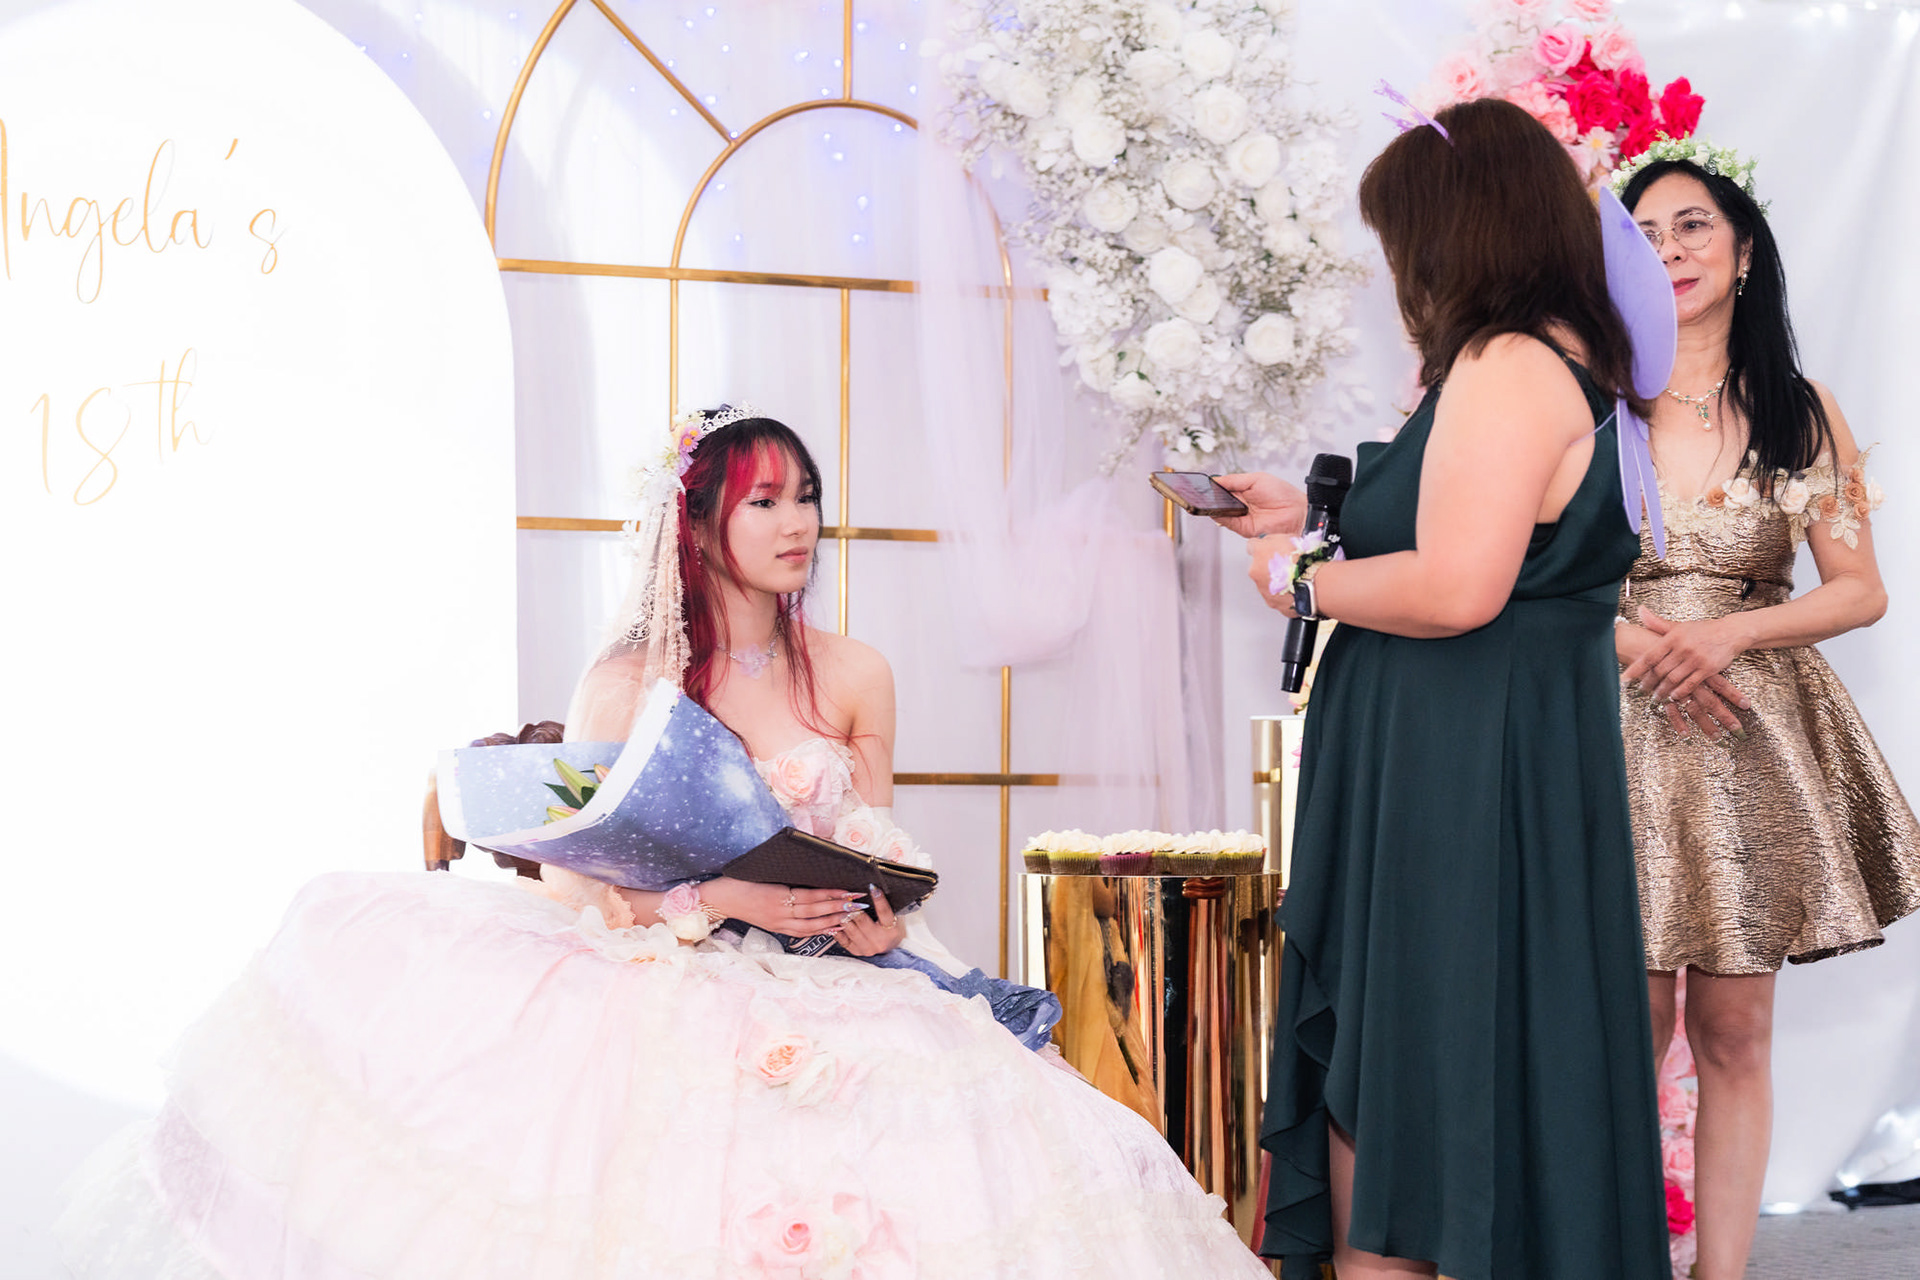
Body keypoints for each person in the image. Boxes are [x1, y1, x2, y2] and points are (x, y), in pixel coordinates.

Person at [58, 410, 1274, 1279]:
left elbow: (875, 839)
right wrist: (726, 894)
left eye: (807, 496)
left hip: (844, 975)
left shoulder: (856, 671)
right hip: (670, 966)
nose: (798, 521)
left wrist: (879, 920)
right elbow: (576, 884)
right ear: (698, 524)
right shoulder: (629, 680)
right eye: (765, 500)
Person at [1213, 98, 1670, 1279]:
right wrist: (1316, 516)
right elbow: (1470, 525)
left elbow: (1463, 584)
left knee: (1407, 1062)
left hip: (1460, 765)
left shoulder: (1508, 362)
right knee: (1438, 1060)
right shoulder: (1562, 357)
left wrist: (1304, 582)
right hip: (1484, 750)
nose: (1399, 273)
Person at [1609, 140, 1920, 1280]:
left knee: (1735, 1026)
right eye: (1644, 233)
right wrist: (1642, 642)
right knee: (1625, 1028)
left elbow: (1859, 588)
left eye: (1692, 225)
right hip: (1616, 721)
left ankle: (1721, 1272)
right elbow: (1536, 576)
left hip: (1748, 728)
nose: (1670, 249)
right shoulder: (1591, 401)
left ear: (1743, 251)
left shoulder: (1801, 407)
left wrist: (1729, 633)